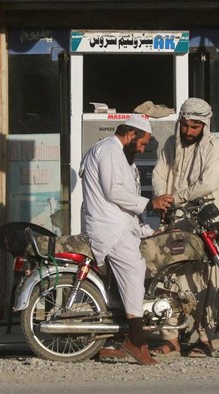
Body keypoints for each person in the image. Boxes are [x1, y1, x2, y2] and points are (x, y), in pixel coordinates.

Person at [80, 114, 174, 365]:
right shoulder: (109, 150)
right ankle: (136, 340)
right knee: (134, 274)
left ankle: (121, 339)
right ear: (131, 135)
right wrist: (149, 202)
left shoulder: (119, 155)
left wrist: (146, 229)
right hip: (111, 229)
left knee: (129, 281)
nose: (143, 149)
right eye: (142, 143)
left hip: (119, 227)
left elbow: (124, 201)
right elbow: (114, 191)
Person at [150, 97, 219, 357]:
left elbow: (208, 183)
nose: (189, 131)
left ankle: (204, 338)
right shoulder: (172, 144)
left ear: (204, 125)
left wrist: (179, 197)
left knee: (201, 280)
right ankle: (170, 337)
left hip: (202, 221)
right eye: (185, 125)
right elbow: (159, 173)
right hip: (174, 220)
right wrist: (163, 196)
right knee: (168, 279)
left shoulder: (214, 148)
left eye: (195, 127)